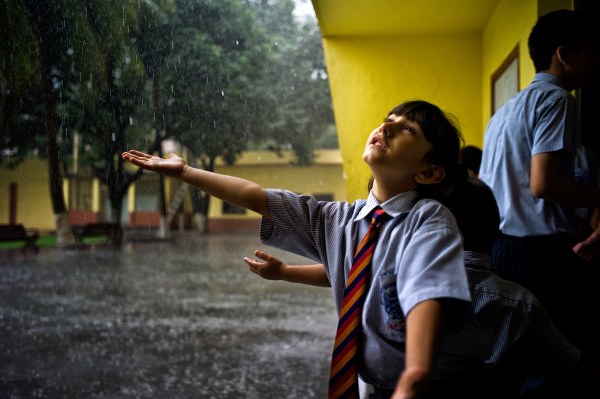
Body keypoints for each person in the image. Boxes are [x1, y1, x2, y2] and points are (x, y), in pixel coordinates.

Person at [123, 100, 495, 399]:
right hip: (385, 386)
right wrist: (185, 172)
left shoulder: (428, 220)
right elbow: (260, 198)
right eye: (389, 119)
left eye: (407, 129)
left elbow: (424, 294)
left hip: (439, 385)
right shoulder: (339, 221)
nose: (387, 127)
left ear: (428, 173)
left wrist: (416, 373)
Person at [244, 177, 600, 398]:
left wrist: (287, 271)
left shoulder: (406, 275)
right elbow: (572, 362)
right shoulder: (523, 304)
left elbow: (359, 272)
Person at [478, 9, 600, 363]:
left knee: (519, 356)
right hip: (539, 255)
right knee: (561, 358)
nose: (596, 59)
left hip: (501, 247)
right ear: (563, 54)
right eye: (590, 49)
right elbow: (543, 184)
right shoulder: (558, 99)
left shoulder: (504, 112)